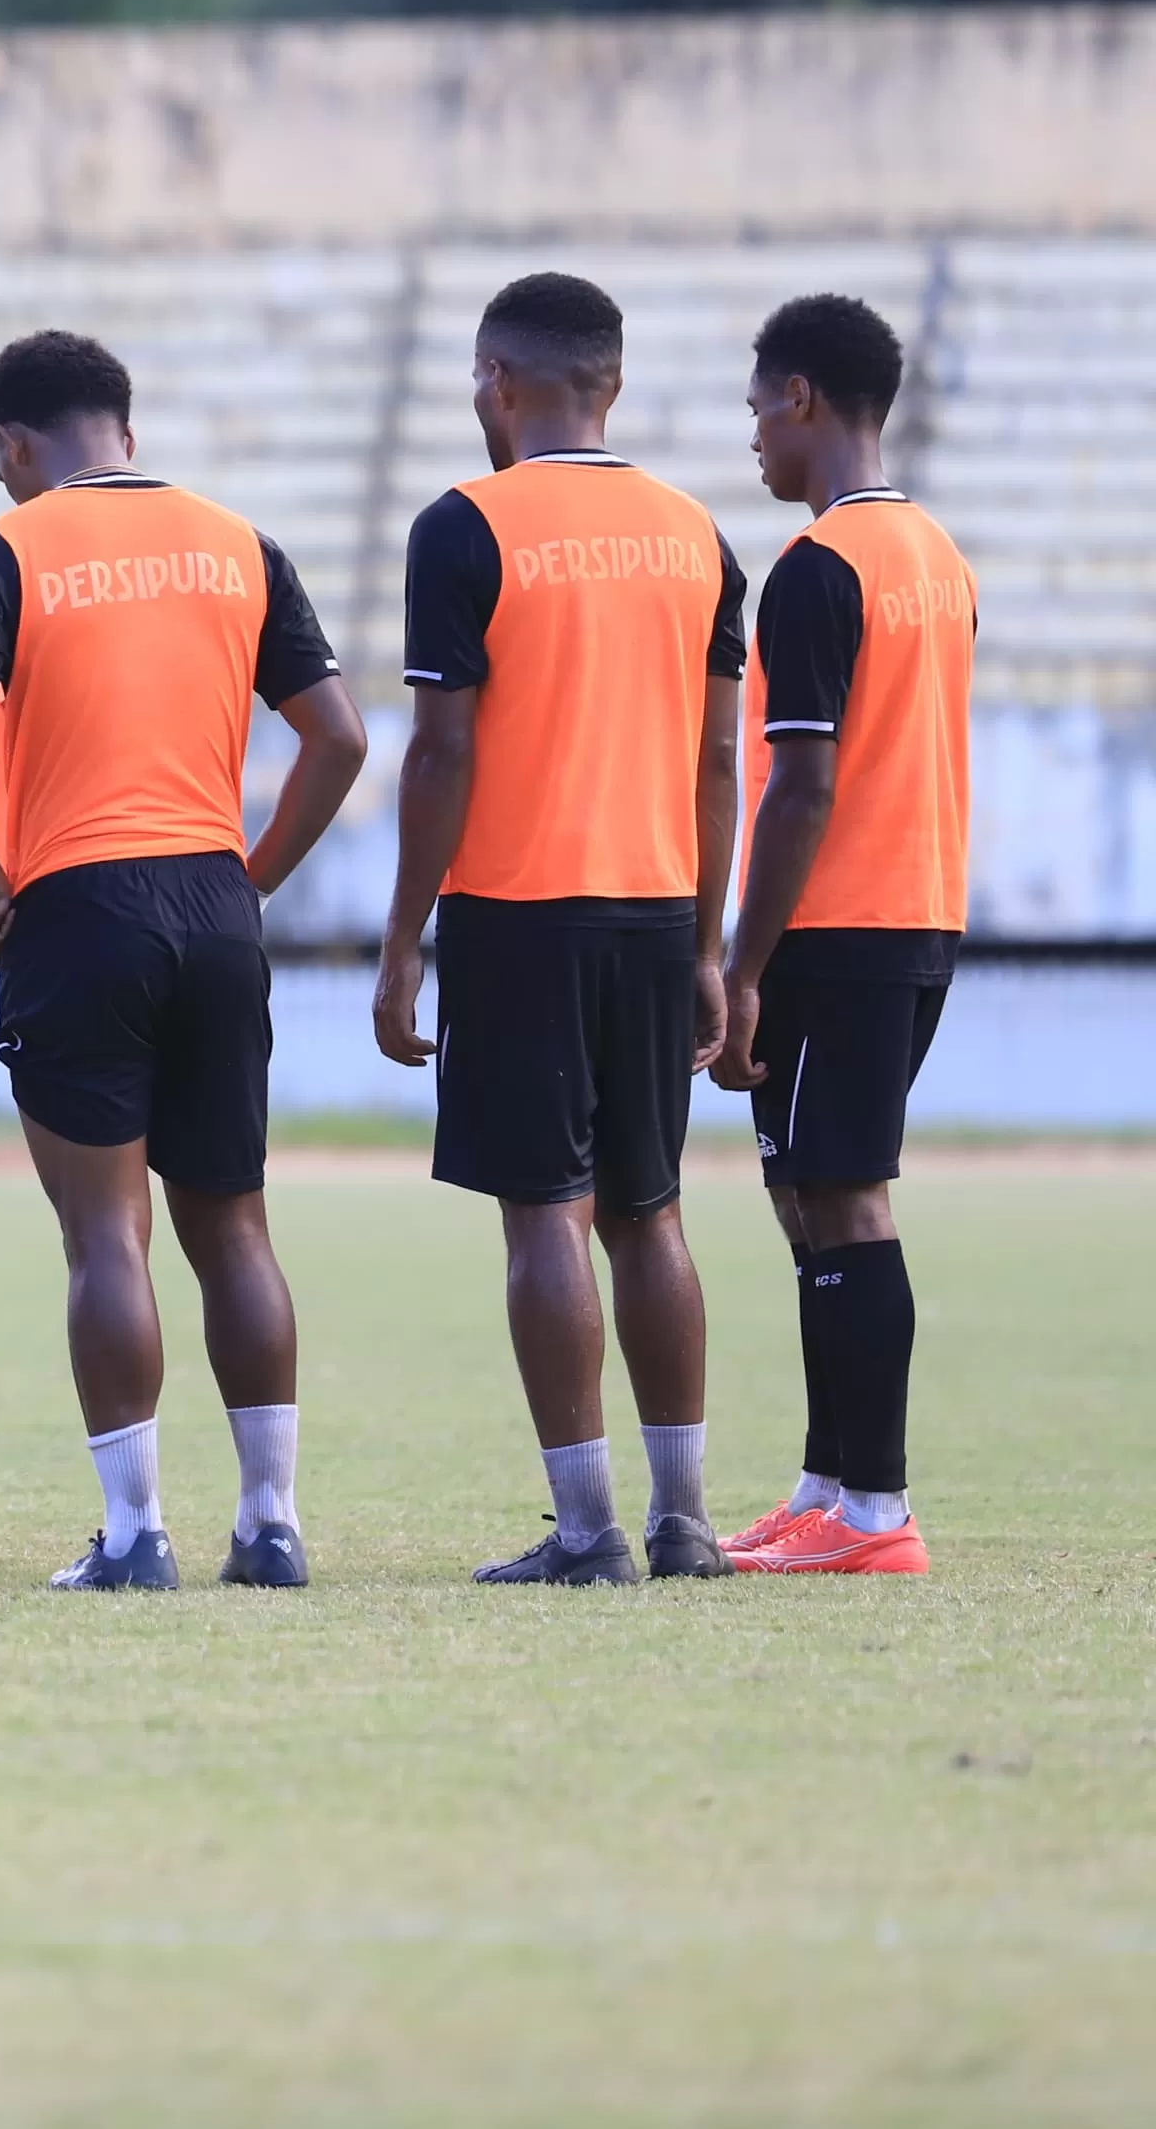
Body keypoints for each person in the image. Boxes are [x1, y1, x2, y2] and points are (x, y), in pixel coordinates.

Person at [0, 330, 367, 1593]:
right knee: (232, 1229)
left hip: (76, 906)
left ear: (10, 445)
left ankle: (132, 1536)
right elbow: (335, 736)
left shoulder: (2, 553)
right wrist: (249, 877)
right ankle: (269, 1526)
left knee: (106, 1239)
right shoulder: (237, 543)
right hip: (213, 899)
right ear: (126, 422)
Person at [372, 272, 747, 1588]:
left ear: (497, 380)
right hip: (654, 912)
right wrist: (707, 943)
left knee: (547, 1214)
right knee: (651, 1213)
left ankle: (587, 1530)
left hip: (519, 914)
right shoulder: (698, 534)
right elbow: (719, 764)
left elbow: (442, 754)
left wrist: (404, 934)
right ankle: (686, 1518)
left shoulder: (463, 527)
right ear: (614, 384)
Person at [712, 295, 972, 1577]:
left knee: (844, 1198)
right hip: (914, 908)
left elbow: (801, 784)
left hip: (841, 920)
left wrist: (740, 967)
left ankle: (872, 1510)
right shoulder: (935, 554)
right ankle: (828, 1483)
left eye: (756, 408)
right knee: (805, 1193)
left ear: (801, 397)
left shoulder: (818, 571)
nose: (752, 436)